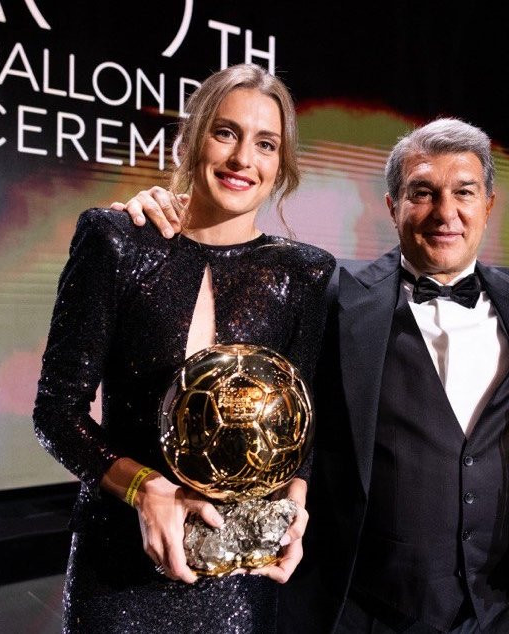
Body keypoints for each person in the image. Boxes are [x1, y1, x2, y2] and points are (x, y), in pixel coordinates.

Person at [119, 116, 509, 633]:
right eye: (422, 193)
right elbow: (235, 295)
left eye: (462, 193)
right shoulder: (333, 290)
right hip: (366, 604)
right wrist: (175, 215)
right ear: (394, 205)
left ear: (487, 204)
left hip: (503, 604)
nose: (444, 211)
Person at [33, 64, 335, 633]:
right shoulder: (116, 240)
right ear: (193, 138)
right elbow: (55, 412)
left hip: (240, 576)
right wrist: (145, 491)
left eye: (265, 144)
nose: (243, 158)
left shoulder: (304, 273)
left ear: (281, 166)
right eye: (226, 133)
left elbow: (304, 426)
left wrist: (296, 508)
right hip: (120, 567)